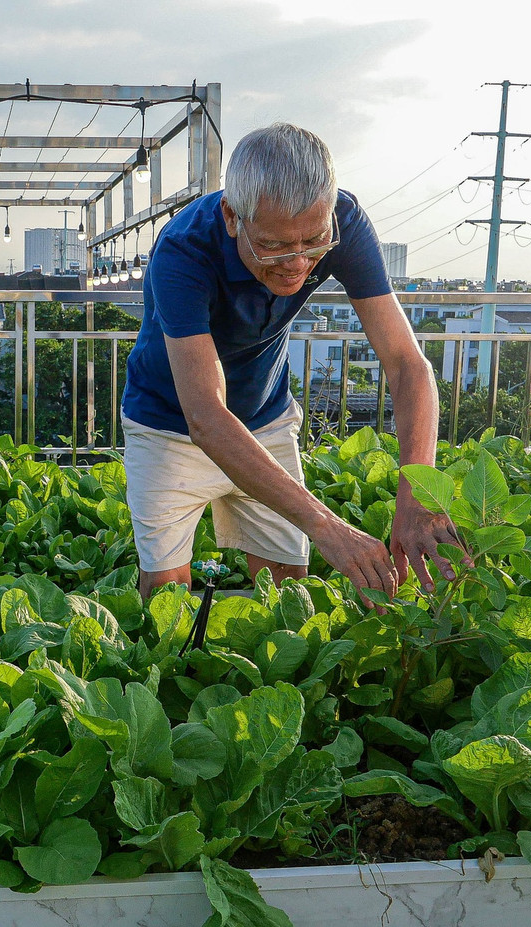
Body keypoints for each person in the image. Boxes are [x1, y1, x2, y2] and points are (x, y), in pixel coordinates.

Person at [120, 122, 461, 601]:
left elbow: (408, 365)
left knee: (287, 593)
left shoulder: (343, 224)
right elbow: (205, 415)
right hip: (169, 423)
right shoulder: (183, 251)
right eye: (274, 246)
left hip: (264, 416)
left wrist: (417, 499)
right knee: (166, 597)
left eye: (313, 242)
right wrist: (329, 527)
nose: (298, 263)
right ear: (232, 217)